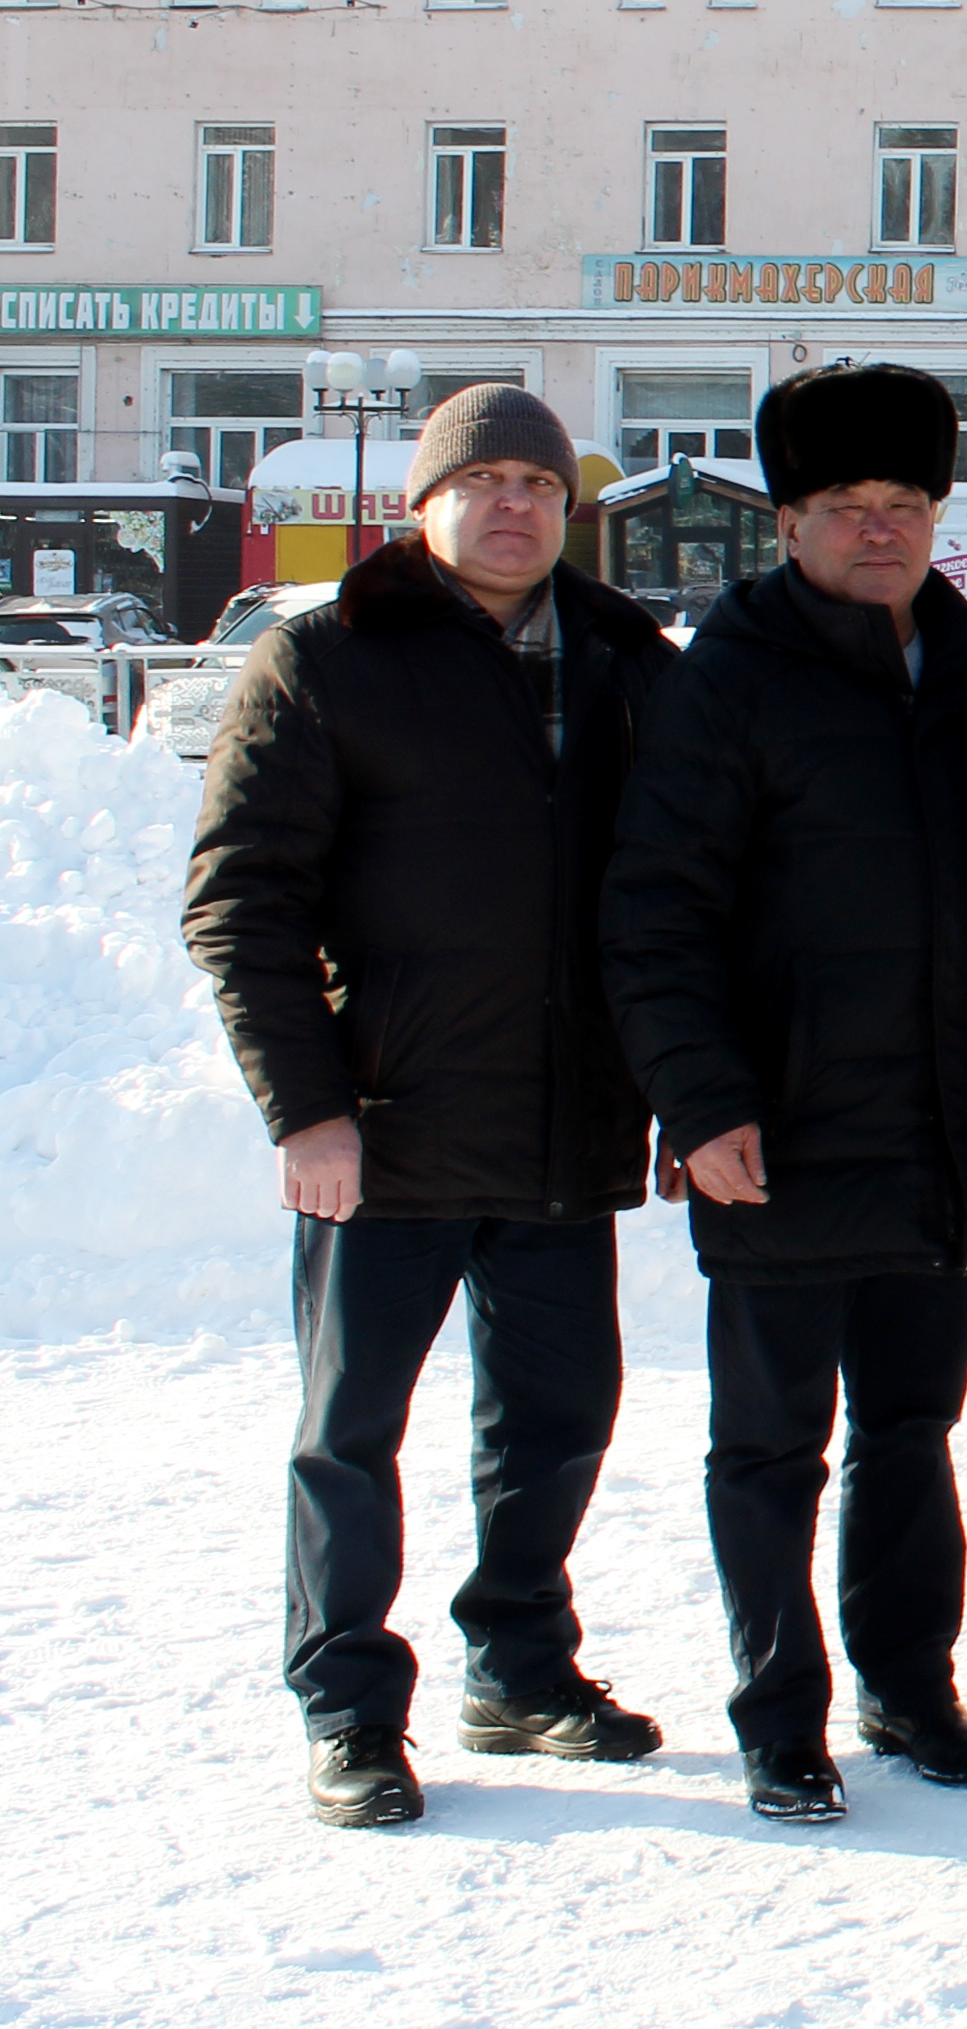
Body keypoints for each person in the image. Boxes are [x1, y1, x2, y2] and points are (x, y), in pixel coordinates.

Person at [186, 385, 682, 1831]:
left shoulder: (622, 661)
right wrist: (306, 1108)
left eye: (540, 480)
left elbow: (670, 896)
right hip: (385, 1127)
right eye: (485, 481)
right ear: (425, 503)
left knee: (559, 1417)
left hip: (561, 1125)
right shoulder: (327, 657)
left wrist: (661, 1087)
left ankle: (520, 1670)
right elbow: (241, 904)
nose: (515, 505)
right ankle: (348, 1704)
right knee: (352, 1431)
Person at [606, 363, 967, 1827]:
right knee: (771, 1446)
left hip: (938, 1127)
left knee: (914, 1431)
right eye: (845, 508)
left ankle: (911, 1685)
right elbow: (657, 908)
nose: (878, 530)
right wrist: (699, 1099)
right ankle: (780, 1712)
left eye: (904, 504)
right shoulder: (728, 677)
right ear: (786, 523)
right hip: (778, 1130)